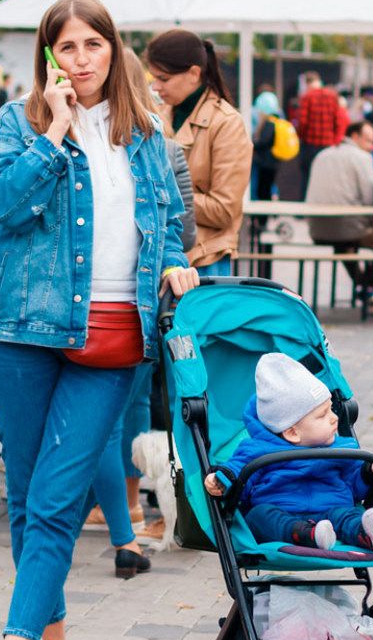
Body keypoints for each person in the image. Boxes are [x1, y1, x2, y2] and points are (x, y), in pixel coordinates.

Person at [0, 0, 198, 640]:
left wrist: (178, 265)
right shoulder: (19, 122)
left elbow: (168, 225)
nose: (80, 60)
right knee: (27, 495)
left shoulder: (148, 132)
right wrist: (55, 133)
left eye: (92, 45)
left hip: (112, 337)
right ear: (50, 55)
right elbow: (3, 206)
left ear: (113, 48)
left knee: (56, 495)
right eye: (66, 48)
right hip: (21, 333)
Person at [79, 47, 198, 554]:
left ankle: (120, 510)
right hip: (129, 300)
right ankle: (121, 506)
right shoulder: (159, 143)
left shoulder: (157, 146)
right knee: (120, 410)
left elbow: (178, 227)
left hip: (122, 300)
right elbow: (184, 226)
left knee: (113, 414)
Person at [203, 353, 373, 552]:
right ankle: (310, 535)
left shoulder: (342, 449)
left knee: (348, 516)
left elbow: (357, 486)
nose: (334, 418)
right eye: (323, 415)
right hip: (282, 512)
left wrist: (372, 471)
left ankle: (368, 534)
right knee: (259, 516)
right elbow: (237, 473)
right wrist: (222, 480)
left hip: (332, 510)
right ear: (292, 432)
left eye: (331, 409)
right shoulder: (257, 450)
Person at [147, 28, 252, 277]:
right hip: (164, 257)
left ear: (194, 73)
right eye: (154, 78)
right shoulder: (158, 116)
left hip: (203, 261)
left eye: (163, 79)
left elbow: (225, 211)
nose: (156, 87)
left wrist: (163, 193)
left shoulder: (227, 123)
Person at [306, 120, 373, 298]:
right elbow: (371, 197)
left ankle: (362, 284)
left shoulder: (322, 155)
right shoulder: (362, 158)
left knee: (344, 244)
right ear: (354, 137)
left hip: (317, 229)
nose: (371, 146)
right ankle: (369, 286)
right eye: (368, 140)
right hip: (350, 229)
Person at [295, 71, 347, 189]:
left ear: (307, 84)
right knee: (326, 179)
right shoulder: (333, 96)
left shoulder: (306, 97)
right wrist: (336, 141)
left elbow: (302, 122)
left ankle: (306, 205)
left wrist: (300, 136)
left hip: (310, 145)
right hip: (329, 145)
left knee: (307, 178)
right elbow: (339, 121)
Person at [250, 87, 282, 200]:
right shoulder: (279, 117)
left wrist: (252, 144)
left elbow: (263, 141)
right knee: (268, 184)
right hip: (273, 159)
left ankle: (260, 214)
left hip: (263, 160)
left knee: (261, 187)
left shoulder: (268, 123)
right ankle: (274, 195)